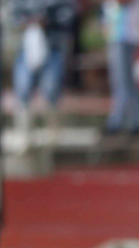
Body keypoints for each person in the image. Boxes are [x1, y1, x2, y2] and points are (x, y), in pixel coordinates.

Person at [11, 0, 78, 152]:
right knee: (22, 90)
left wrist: (47, 20)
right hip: (26, 49)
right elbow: (14, 16)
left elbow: (69, 15)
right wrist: (29, 22)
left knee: (52, 91)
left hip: (53, 47)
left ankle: (52, 138)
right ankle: (24, 136)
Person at [102, 0, 139, 136]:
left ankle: (122, 122)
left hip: (128, 38)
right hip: (119, 37)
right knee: (124, 83)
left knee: (126, 83)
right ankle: (130, 121)